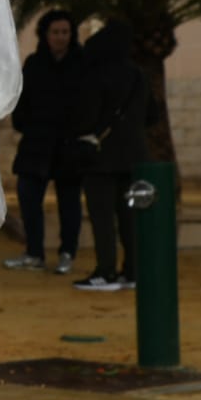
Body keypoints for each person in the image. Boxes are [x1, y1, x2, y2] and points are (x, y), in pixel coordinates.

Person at [72, 20, 150, 291]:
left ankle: (106, 271)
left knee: (103, 217)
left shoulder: (96, 74)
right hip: (134, 157)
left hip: (100, 158)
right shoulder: (138, 75)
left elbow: (86, 117)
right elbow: (152, 115)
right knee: (130, 216)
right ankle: (132, 270)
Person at [4, 9, 84, 274]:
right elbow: (22, 102)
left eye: (65, 32)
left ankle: (67, 253)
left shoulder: (81, 63)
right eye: (55, 32)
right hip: (36, 145)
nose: (60, 37)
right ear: (45, 35)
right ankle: (34, 253)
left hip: (68, 147)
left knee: (69, 203)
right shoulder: (34, 64)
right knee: (28, 199)